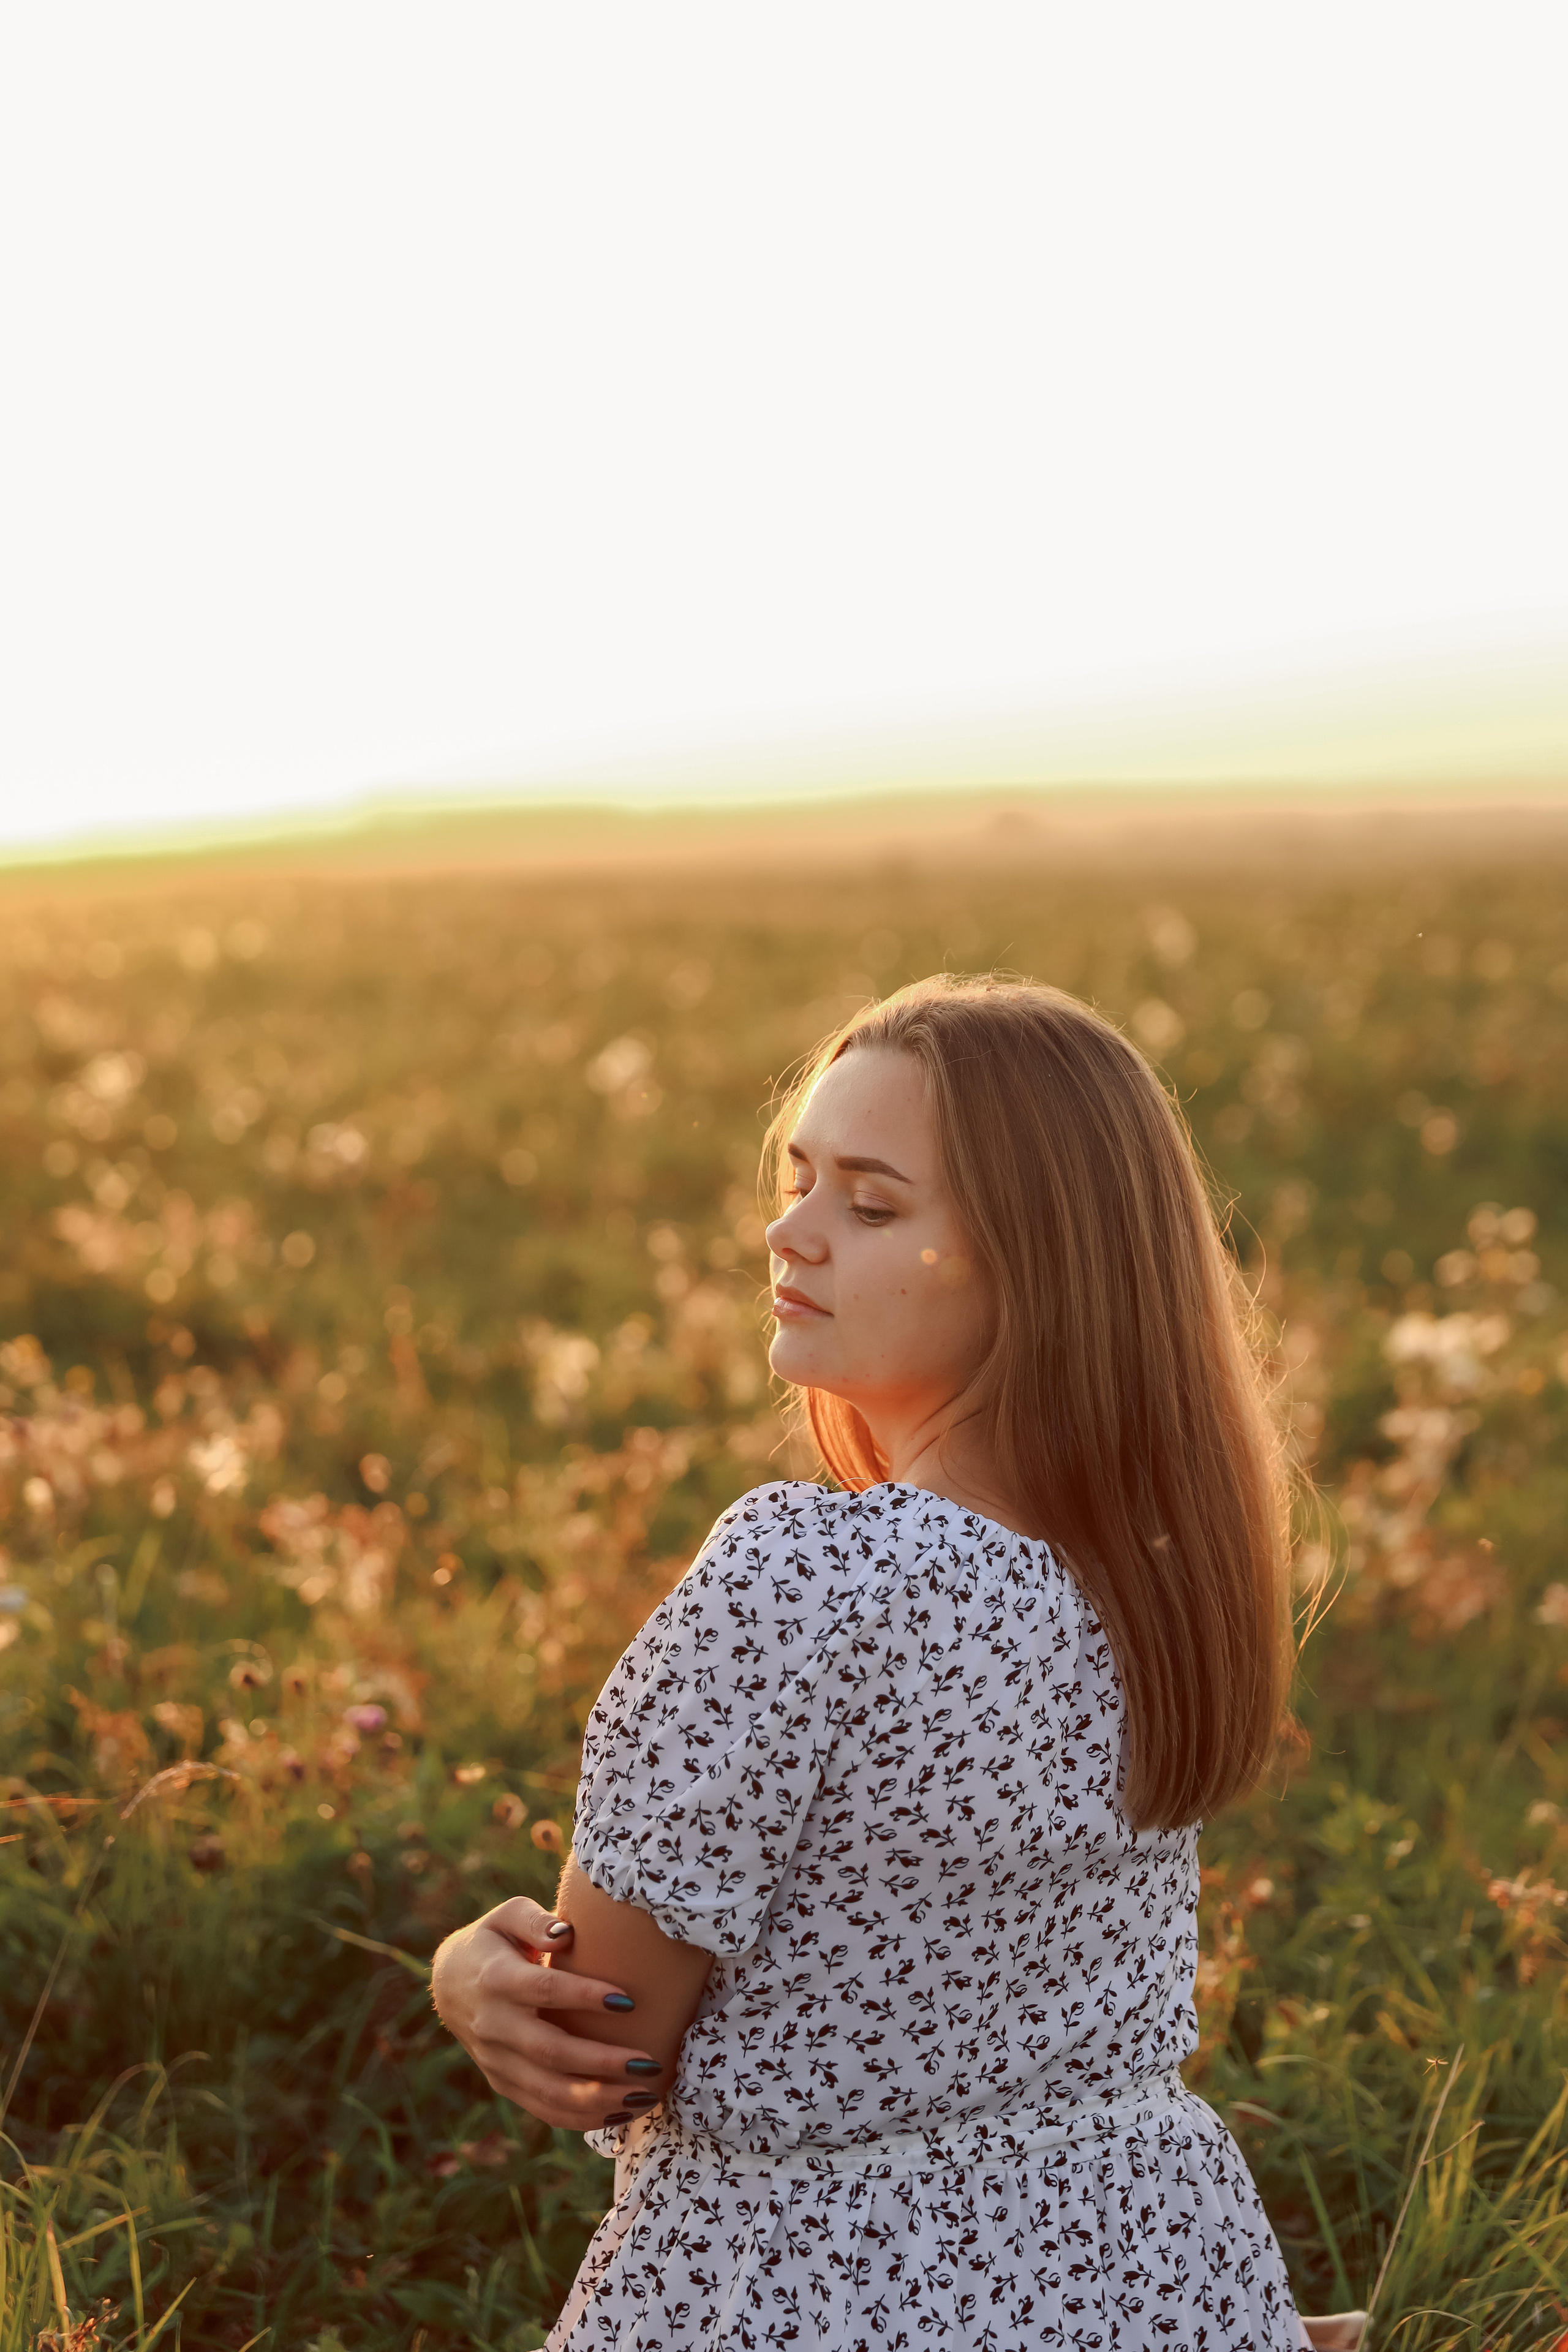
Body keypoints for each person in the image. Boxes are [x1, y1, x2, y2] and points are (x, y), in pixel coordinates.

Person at [433, 976, 1366, 2351]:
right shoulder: (1169, 1576)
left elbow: (606, 2046)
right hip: (1159, 2271)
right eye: (797, 1178)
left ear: (1036, 1265)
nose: (787, 1232)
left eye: (869, 1207)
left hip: (812, 2294)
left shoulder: (798, 1578)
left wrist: (466, 1970)